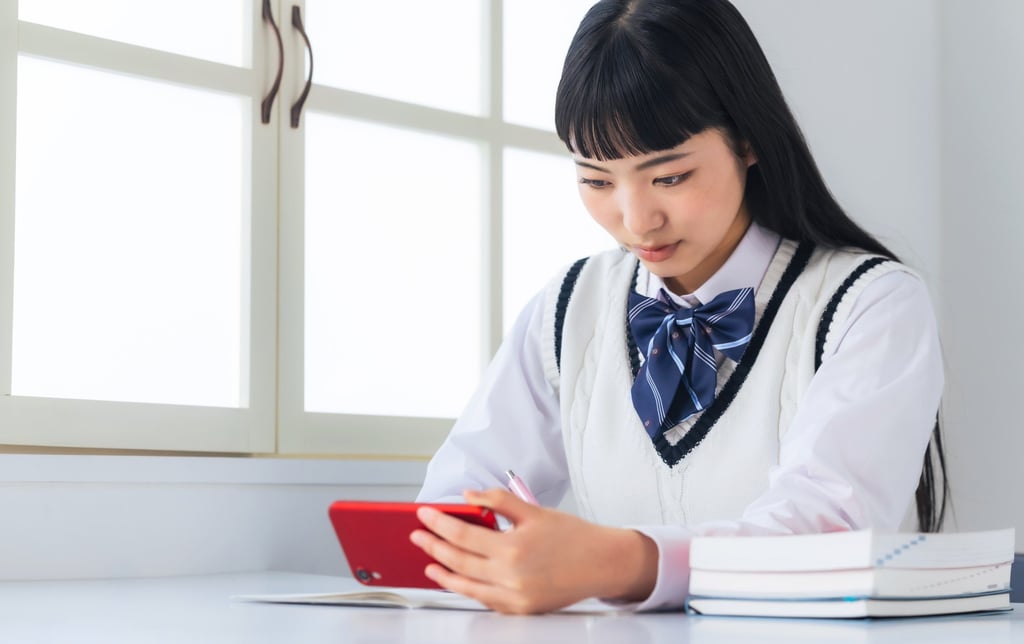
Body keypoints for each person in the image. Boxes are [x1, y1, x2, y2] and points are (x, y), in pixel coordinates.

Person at [411, 0, 947, 614]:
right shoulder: (567, 308)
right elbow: (456, 503)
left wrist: (619, 562)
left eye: (669, 177)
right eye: (596, 181)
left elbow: (822, 533)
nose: (637, 220)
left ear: (747, 140)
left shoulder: (868, 304)